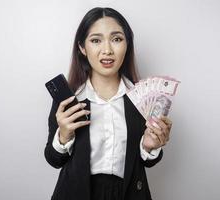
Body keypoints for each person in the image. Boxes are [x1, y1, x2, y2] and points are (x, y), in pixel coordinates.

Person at [44, 7, 172, 200]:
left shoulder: (143, 100)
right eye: (96, 40)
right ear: (82, 47)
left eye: (117, 39)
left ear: (127, 44)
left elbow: (147, 163)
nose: (107, 50)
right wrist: (63, 136)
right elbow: (54, 159)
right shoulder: (69, 100)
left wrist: (150, 147)